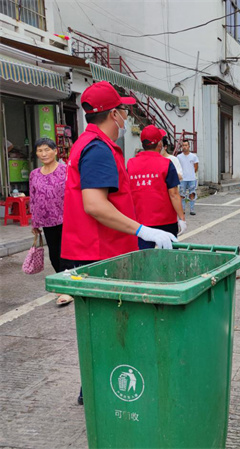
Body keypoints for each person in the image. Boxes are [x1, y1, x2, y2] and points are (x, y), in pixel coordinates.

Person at [61, 82, 177, 404]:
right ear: (114, 113)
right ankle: (105, 392)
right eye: (125, 111)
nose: (128, 117)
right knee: (109, 327)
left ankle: (94, 390)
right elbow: (95, 205)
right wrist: (145, 230)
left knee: (102, 327)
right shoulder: (98, 149)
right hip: (102, 254)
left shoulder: (91, 144)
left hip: (97, 251)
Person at [29, 138, 73, 306]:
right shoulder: (34, 174)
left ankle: (66, 288)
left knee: (67, 254)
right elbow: (33, 199)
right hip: (47, 221)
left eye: (47, 149)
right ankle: (64, 285)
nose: (43, 153)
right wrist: (35, 223)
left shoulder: (65, 170)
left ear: (55, 151)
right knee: (54, 255)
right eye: (40, 150)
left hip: (67, 218)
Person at [127, 125, 186, 249]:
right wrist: (181, 218)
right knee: (169, 258)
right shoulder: (166, 164)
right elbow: (174, 194)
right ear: (159, 144)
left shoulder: (131, 164)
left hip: (140, 223)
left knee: (143, 258)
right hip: (166, 222)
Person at [177, 139, 199, 215]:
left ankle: (192, 209)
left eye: (186, 145)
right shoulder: (179, 157)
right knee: (182, 194)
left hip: (191, 178)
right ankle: (182, 209)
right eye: (183, 145)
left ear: (189, 146)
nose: (184, 147)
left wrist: (191, 173)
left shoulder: (193, 156)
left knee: (192, 193)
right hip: (182, 179)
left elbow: (196, 167)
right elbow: (178, 167)